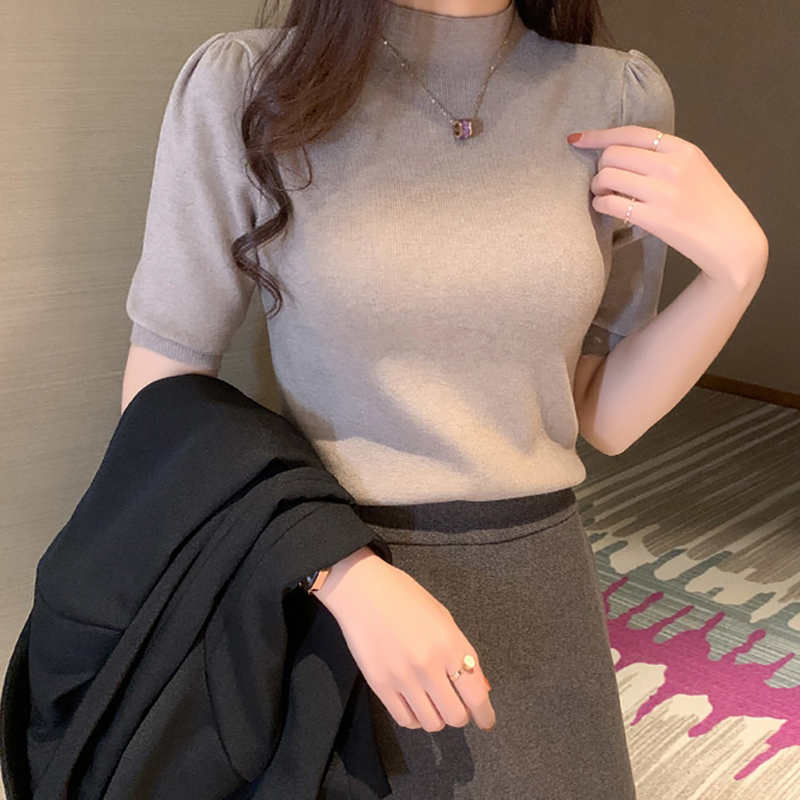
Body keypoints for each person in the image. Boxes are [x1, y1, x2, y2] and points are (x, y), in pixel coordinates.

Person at [121, 0, 768, 797]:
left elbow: (596, 412)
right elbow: (161, 396)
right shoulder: (247, 84)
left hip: (541, 587)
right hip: (330, 590)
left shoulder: (618, 97)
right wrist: (339, 572)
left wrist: (735, 275)